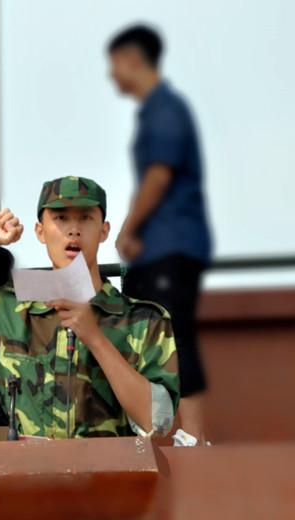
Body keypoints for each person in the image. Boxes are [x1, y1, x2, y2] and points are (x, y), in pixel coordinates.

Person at [0, 176, 179, 439]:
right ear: (40, 231)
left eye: (85, 218)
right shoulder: (4, 310)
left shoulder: (144, 320)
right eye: (61, 218)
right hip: (30, 480)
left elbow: (158, 422)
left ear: (104, 231)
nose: (73, 230)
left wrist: (96, 338)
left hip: (112, 481)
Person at [107, 25, 212, 444]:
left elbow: (158, 176)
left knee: (175, 335)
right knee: (148, 335)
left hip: (172, 244)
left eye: (114, 64)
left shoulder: (166, 109)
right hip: (156, 250)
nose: (111, 74)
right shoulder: (155, 111)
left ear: (132, 60)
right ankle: (170, 436)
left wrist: (128, 229)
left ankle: (195, 438)